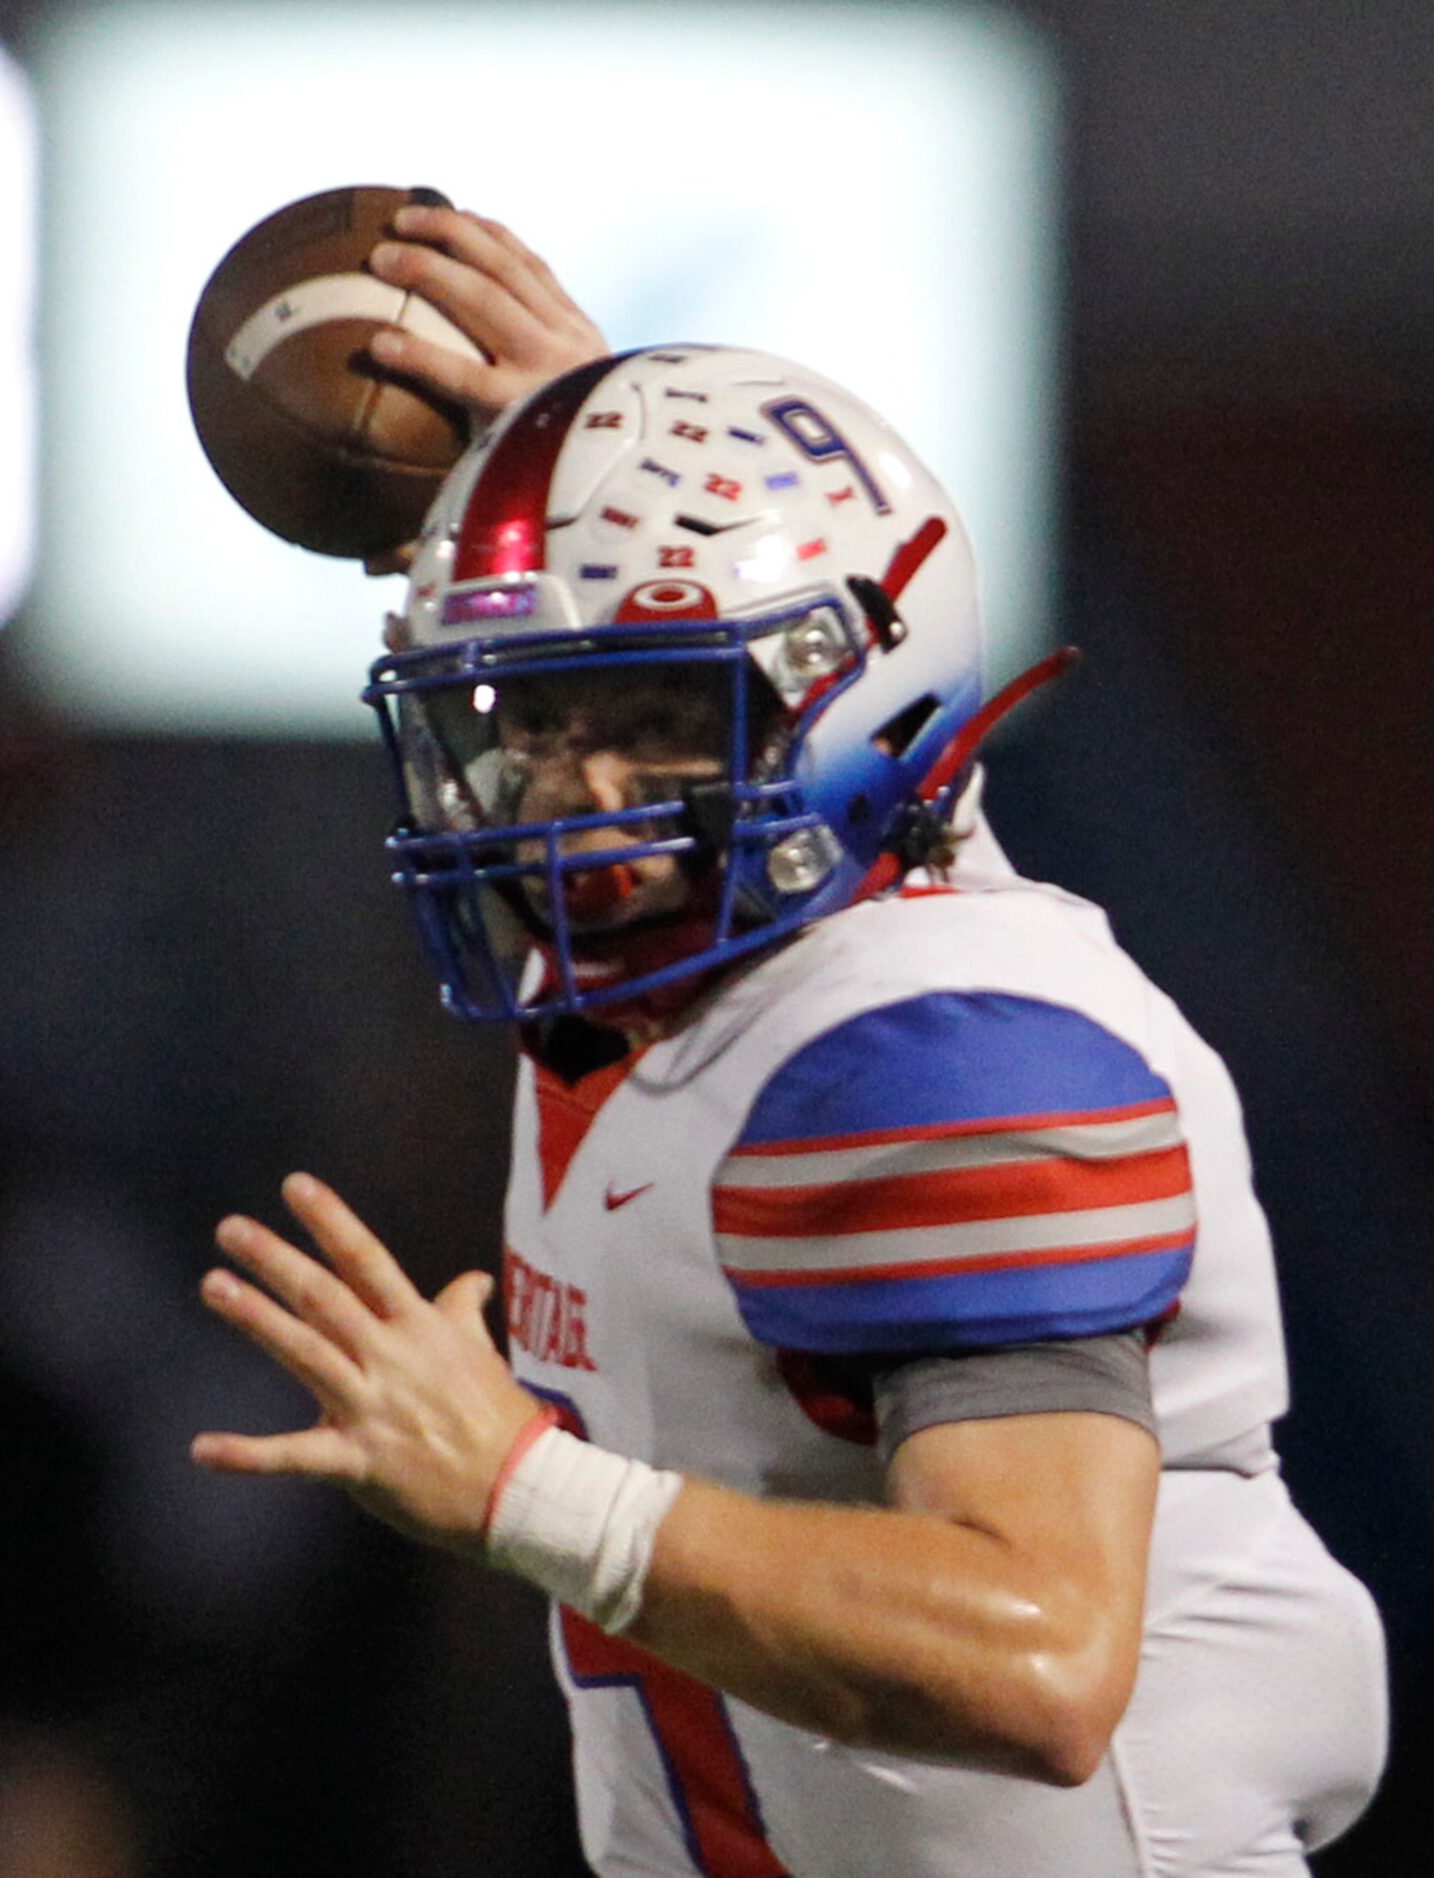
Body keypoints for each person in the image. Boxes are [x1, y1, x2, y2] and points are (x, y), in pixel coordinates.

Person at [191, 207, 1387, 1876]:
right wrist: (598, 455)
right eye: (532, 715)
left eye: (660, 717)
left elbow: (1035, 1657)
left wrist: (521, 1491)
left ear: (841, 694)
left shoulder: (942, 1061)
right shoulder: (714, 975)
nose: (578, 796)